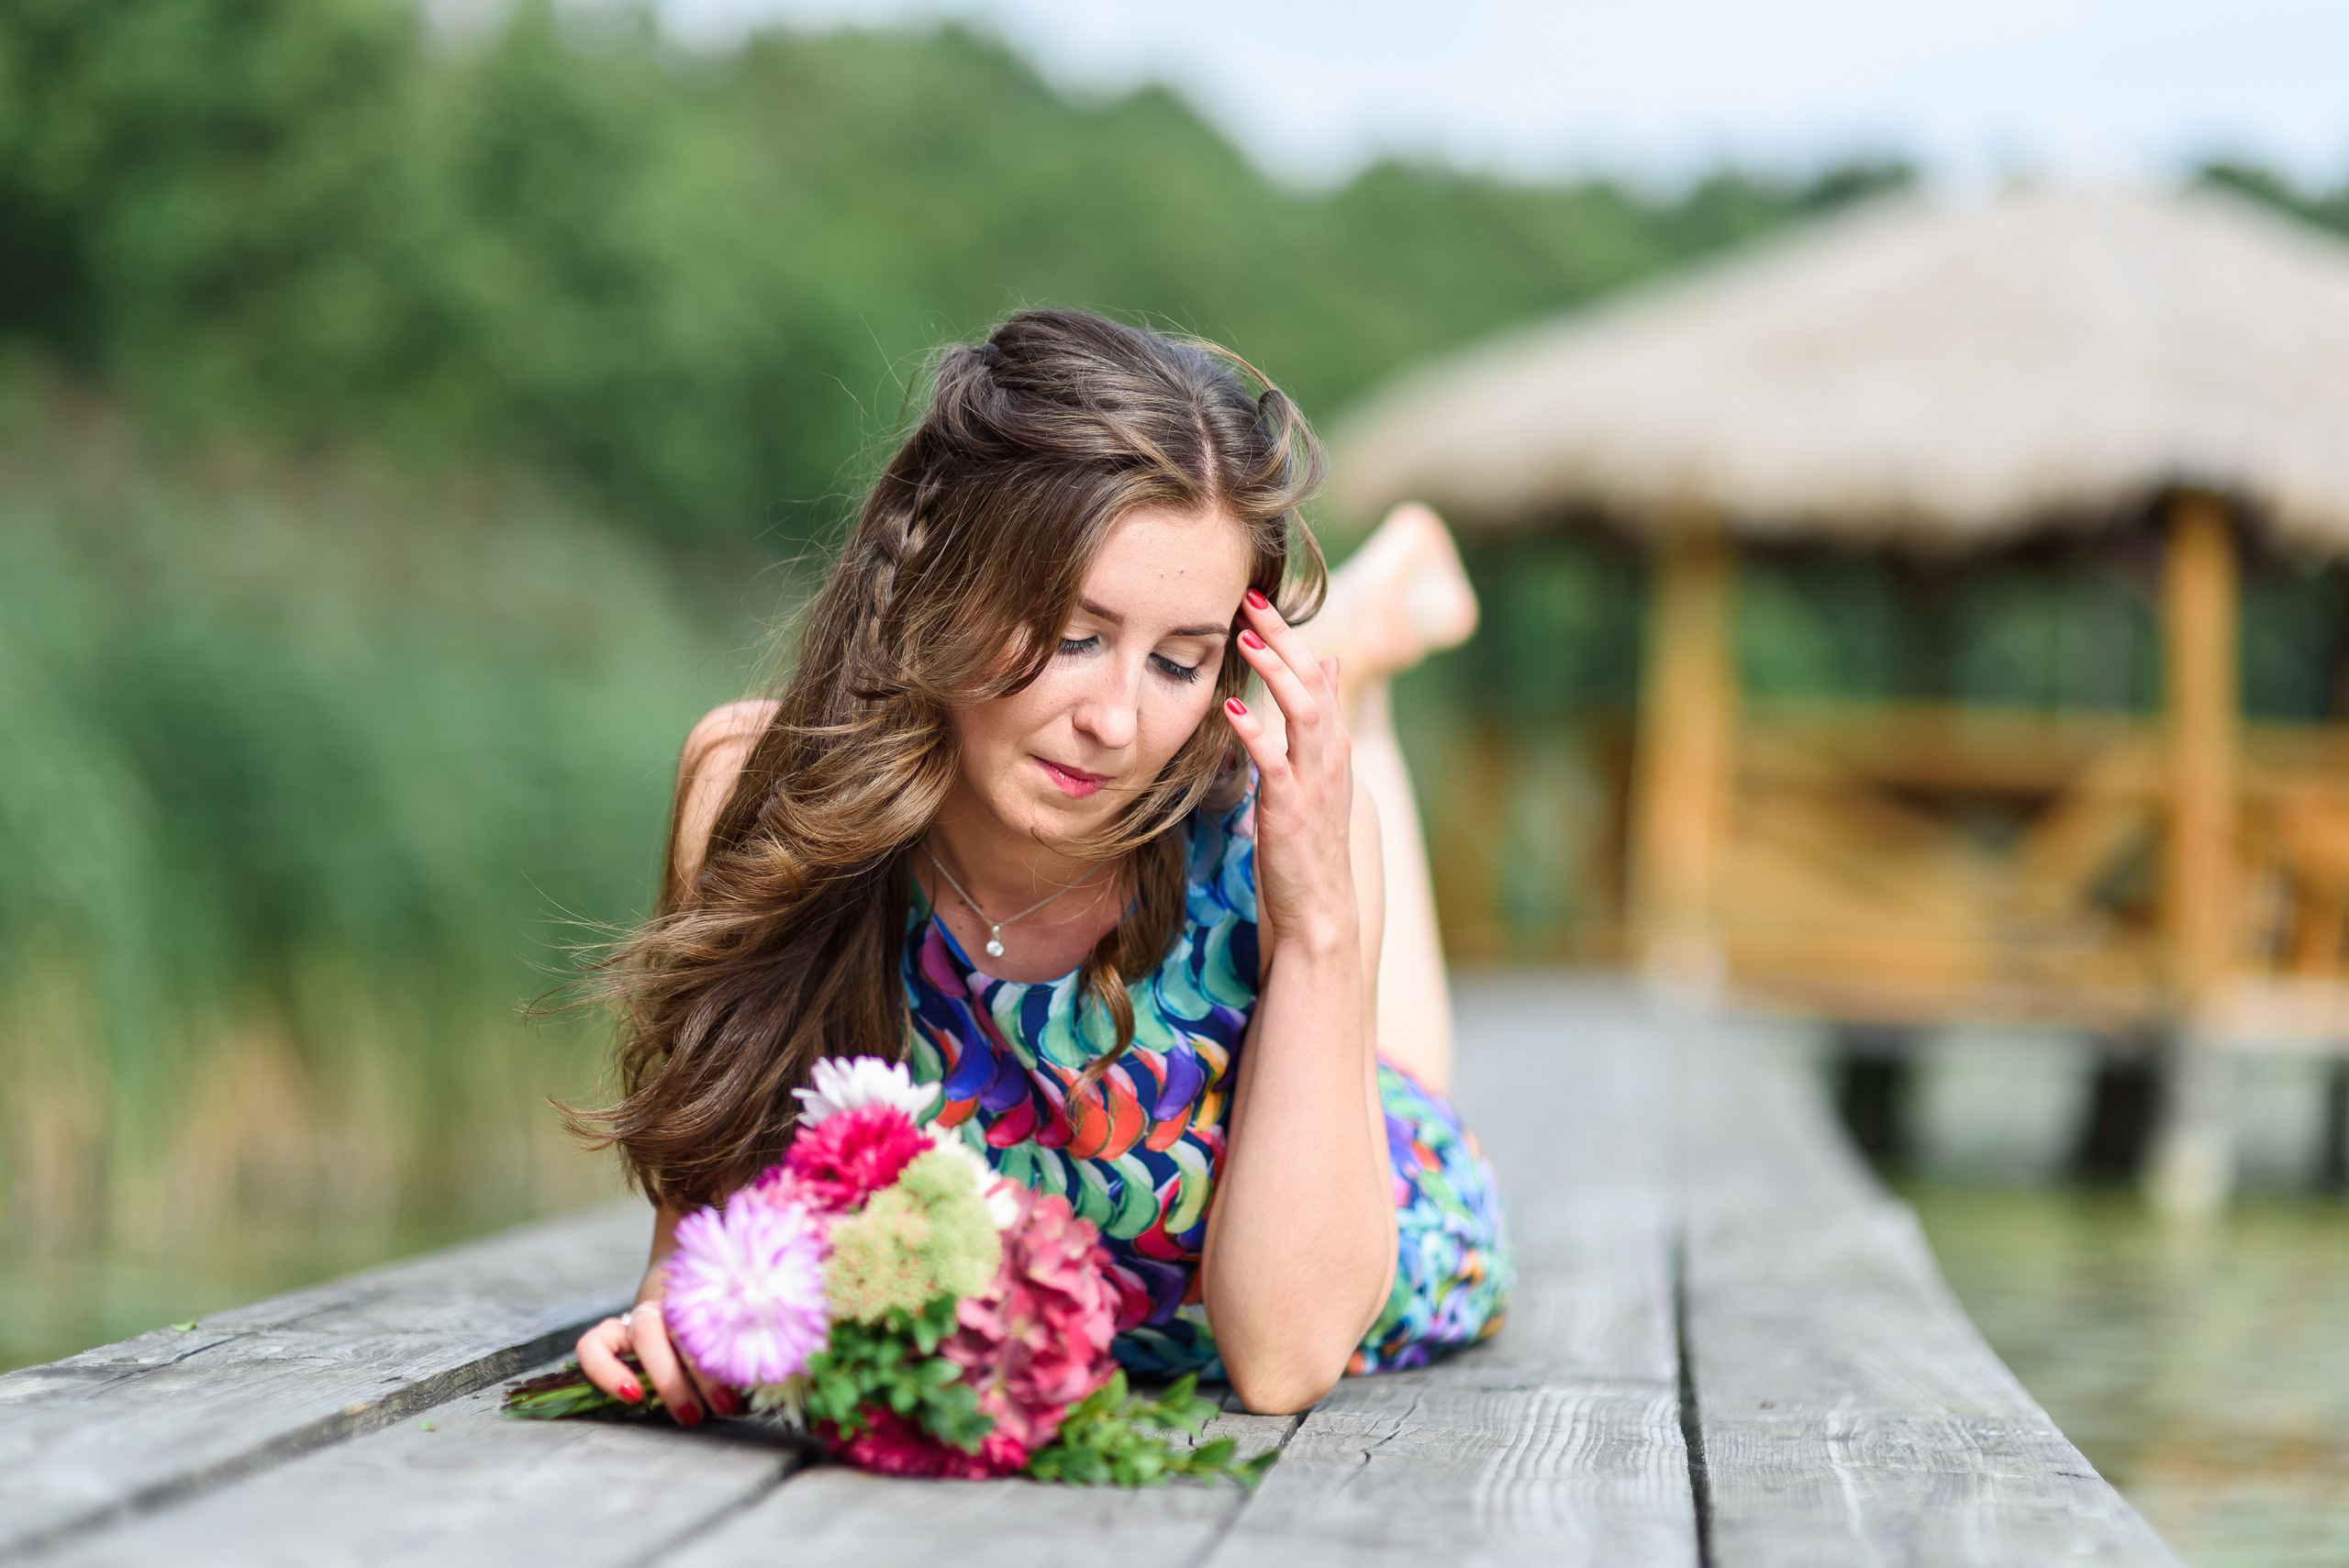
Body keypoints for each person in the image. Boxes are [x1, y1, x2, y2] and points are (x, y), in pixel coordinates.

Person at [568, 308, 1508, 1423]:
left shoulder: (1260, 834)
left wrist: (1316, 926)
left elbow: (1283, 1362)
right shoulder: (756, 789)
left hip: (1365, 1193)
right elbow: (699, 1259)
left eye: (1178, 659)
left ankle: (1356, 673)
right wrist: (676, 1327)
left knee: (1399, 1065)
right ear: (942, 574)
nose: (1113, 720)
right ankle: (1353, 639)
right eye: (1071, 634)